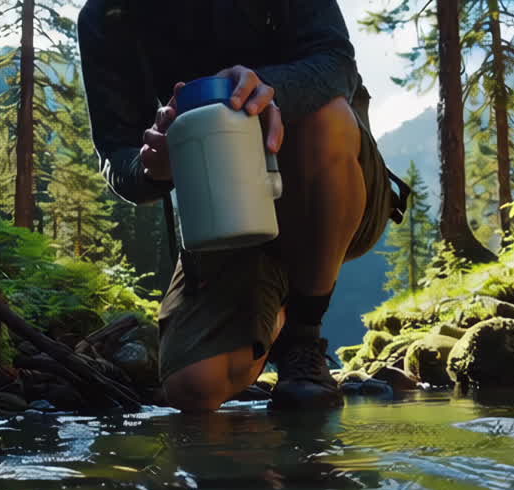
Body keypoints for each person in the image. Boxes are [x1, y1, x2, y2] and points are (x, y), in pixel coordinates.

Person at [77, 0, 404, 412]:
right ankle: (278, 312)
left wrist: (267, 88)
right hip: (224, 210)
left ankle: (304, 338)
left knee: (326, 116)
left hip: (333, 187)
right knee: (194, 388)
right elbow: (117, 155)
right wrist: (152, 166)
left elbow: (336, 63)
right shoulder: (106, 17)